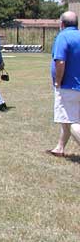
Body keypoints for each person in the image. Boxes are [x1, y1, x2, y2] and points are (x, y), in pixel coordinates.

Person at [47, 11, 80, 157]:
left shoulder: (63, 36)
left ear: (62, 24)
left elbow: (60, 61)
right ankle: (59, 148)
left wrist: (58, 81)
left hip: (69, 86)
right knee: (67, 118)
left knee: (70, 121)